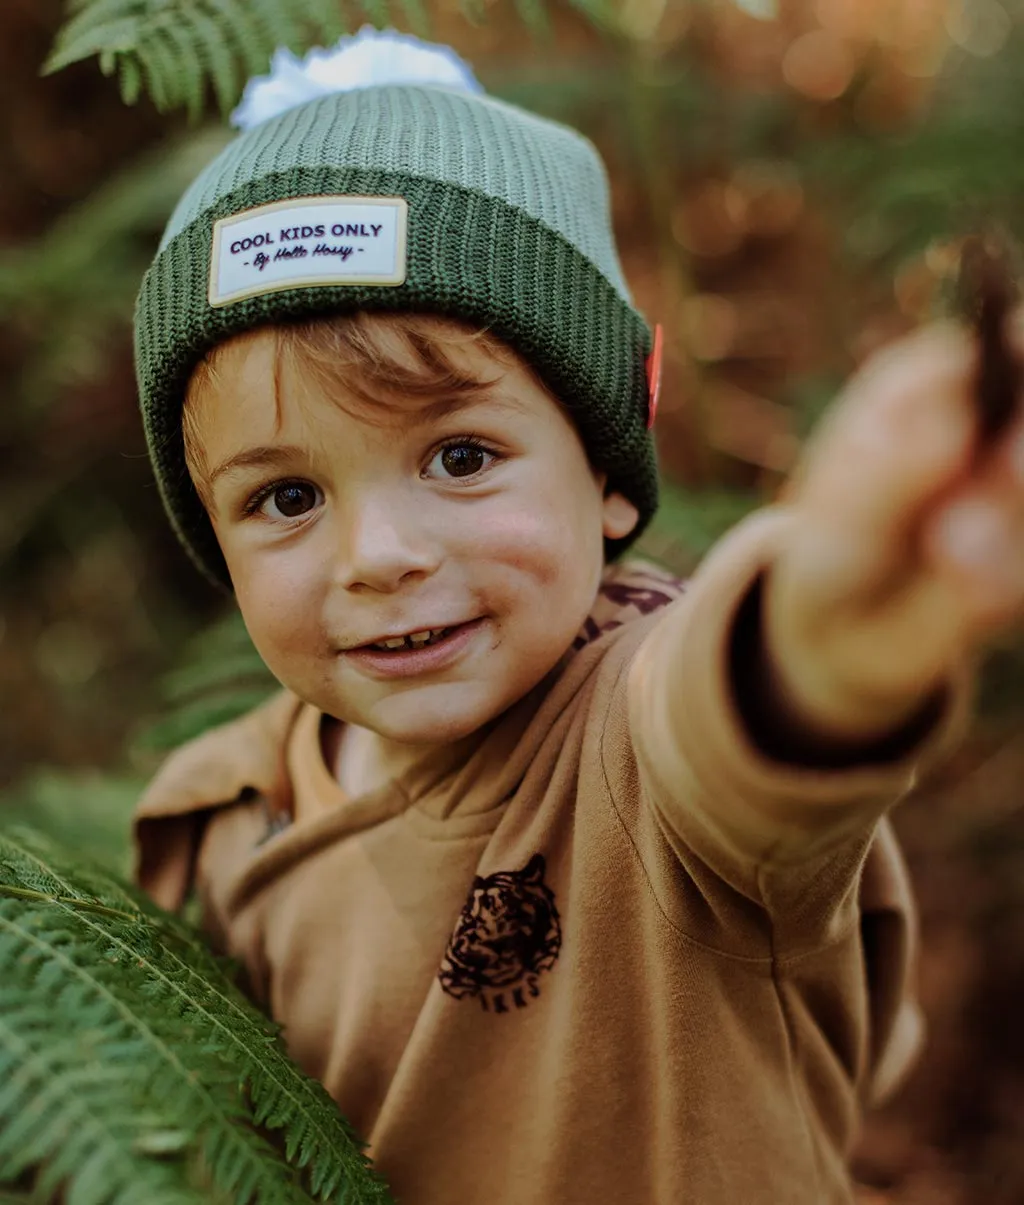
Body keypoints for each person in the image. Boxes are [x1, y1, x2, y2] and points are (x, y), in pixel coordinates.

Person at [131, 29, 1022, 1205]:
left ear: (605, 469)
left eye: (460, 455)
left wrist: (825, 625)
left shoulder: (638, 752)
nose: (379, 555)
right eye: (286, 496)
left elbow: (737, 726)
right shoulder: (226, 809)